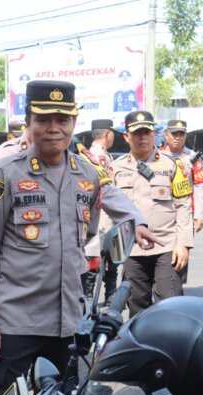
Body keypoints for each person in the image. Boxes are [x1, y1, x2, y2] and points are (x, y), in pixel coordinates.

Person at [0, 81, 158, 395]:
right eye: (44, 119)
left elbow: (95, 216)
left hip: (68, 319)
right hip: (16, 320)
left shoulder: (86, 173)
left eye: (62, 119)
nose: (53, 128)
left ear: (73, 122)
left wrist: (136, 221)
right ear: (29, 123)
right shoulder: (4, 173)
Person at [113, 111, 194, 316]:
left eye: (147, 132)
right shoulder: (115, 168)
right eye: (137, 133)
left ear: (154, 134)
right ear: (126, 137)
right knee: (136, 307)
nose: (142, 137)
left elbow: (183, 205)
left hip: (166, 246)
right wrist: (111, 249)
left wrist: (183, 244)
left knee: (171, 306)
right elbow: (109, 212)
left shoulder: (174, 166)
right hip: (132, 249)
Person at [83, 118, 119, 301]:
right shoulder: (97, 157)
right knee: (96, 263)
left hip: (102, 219)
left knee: (107, 262)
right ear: (107, 134)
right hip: (100, 219)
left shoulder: (93, 154)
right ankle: (93, 301)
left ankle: (103, 297)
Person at [162, 120, 203, 234]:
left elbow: (199, 187)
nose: (178, 138)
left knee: (183, 250)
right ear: (166, 135)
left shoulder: (193, 157)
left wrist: (199, 215)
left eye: (181, 134)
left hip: (185, 213)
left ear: (185, 135)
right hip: (162, 214)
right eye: (174, 134)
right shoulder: (157, 156)